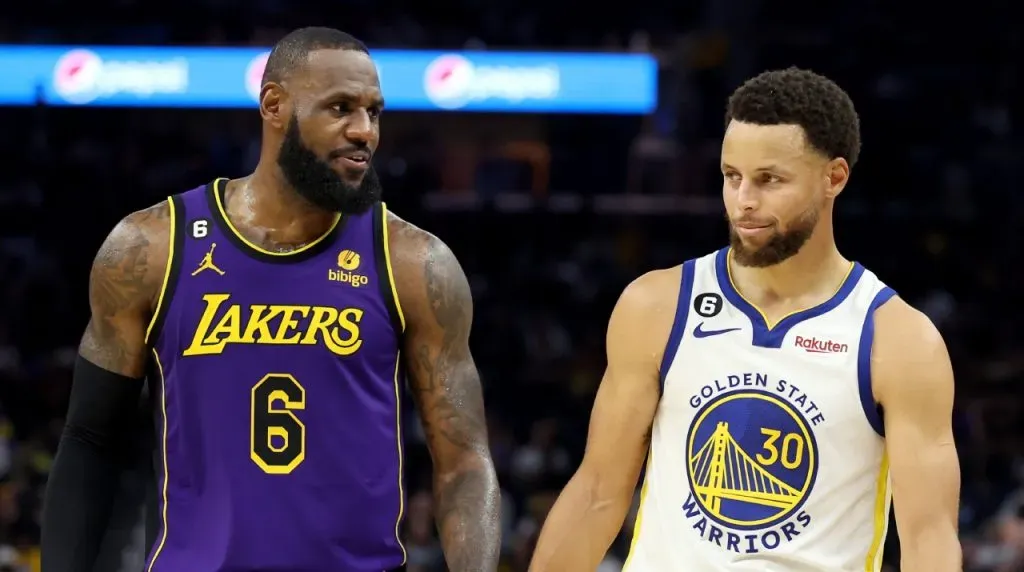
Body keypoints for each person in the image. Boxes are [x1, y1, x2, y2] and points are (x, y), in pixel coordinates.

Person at [41, 27, 501, 572]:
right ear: (274, 105)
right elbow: (90, 439)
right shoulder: (151, 247)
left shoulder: (414, 263)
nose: (365, 131)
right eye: (340, 108)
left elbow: (464, 464)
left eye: (374, 112)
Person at [530, 68, 962, 571]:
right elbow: (597, 494)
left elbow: (928, 539)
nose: (744, 201)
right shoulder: (656, 306)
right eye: (732, 176)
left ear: (834, 178)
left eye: (769, 180)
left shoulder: (897, 340)